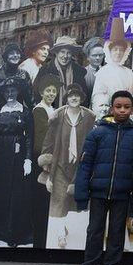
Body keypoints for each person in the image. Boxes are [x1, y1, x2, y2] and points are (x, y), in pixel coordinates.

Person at [74, 90, 133, 265]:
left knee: (117, 232)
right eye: (118, 107)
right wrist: (81, 194)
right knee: (94, 231)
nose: (122, 110)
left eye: (126, 107)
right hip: (98, 192)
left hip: (122, 194)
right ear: (111, 108)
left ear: (132, 109)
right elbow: (85, 165)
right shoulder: (97, 132)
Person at [0, 77, 34, 247]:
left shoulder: (25, 112)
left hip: (17, 157)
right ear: (4, 94)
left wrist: (28, 159)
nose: (10, 94)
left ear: (18, 92)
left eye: (13, 91)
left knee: (16, 193)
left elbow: (30, 138)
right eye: (7, 92)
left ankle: (15, 232)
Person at [39, 85, 95, 220]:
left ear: (81, 98)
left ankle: (73, 238)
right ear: (66, 99)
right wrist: (46, 164)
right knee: (58, 206)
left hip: (80, 167)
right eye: (71, 95)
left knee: (77, 208)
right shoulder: (58, 116)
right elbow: (49, 140)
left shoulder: (88, 117)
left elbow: (92, 141)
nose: (74, 98)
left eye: (77, 95)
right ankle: (57, 236)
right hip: (60, 166)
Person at [30, 74, 60, 248]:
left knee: (47, 200)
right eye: (48, 91)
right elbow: (42, 138)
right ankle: (39, 239)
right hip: (41, 160)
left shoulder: (52, 109)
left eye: (53, 91)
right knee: (41, 200)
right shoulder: (40, 110)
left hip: (50, 158)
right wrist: (47, 161)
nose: (51, 94)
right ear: (42, 92)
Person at [91, 21, 133, 115]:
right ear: (109, 51)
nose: (118, 53)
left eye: (121, 50)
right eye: (115, 50)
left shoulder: (129, 73)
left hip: (127, 113)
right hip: (109, 113)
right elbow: (98, 96)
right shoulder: (103, 72)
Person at [39, 36, 88, 107]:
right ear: (56, 53)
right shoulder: (45, 71)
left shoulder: (79, 72)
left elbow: (84, 97)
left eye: (69, 53)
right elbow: (38, 96)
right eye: (62, 52)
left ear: (72, 55)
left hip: (73, 113)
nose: (65, 56)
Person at [0, 42, 33, 112]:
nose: (15, 55)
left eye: (17, 53)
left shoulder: (24, 75)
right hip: (0, 114)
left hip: (19, 114)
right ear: (6, 56)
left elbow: (30, 99)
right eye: (12, 53)